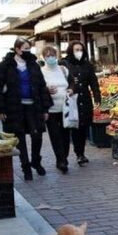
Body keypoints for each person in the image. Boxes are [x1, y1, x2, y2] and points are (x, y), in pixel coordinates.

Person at [0, 38, 52, 181]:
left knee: (37, 136)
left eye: (29, 49)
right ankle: (26, 168)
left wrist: (45, 109)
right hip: (14, 108)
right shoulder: (5, 65)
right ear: (17, 49)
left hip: (33, 107)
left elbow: (42, 87)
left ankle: (36, 161)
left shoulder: (33, 65)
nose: (27, 52)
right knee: (20, 138)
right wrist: (0, 110)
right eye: (25, 49)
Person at [63, 40, 101, 166]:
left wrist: (97, 98)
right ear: (71, 51)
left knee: (84, 125)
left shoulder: (87, 65)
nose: (79, 52)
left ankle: (81, 152)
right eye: (76, 50)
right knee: (75, 126)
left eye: (80, 50)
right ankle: (76, 153)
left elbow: (94, 83)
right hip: (72, 99)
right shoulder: (64, 64)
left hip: (85, 99)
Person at [40, 46, 71, 174]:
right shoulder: (41, 72)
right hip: (51, 110)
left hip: (65, 108)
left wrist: (71, 89)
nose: (51, 57)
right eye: (47, 56)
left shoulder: (63, 70)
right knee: (55, 135)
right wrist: (46, 90)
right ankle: (61, 160)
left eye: (52, 55)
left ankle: (64, 156)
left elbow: (71, 83)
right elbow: (38, 89)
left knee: (65, 135)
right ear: (43, 57)